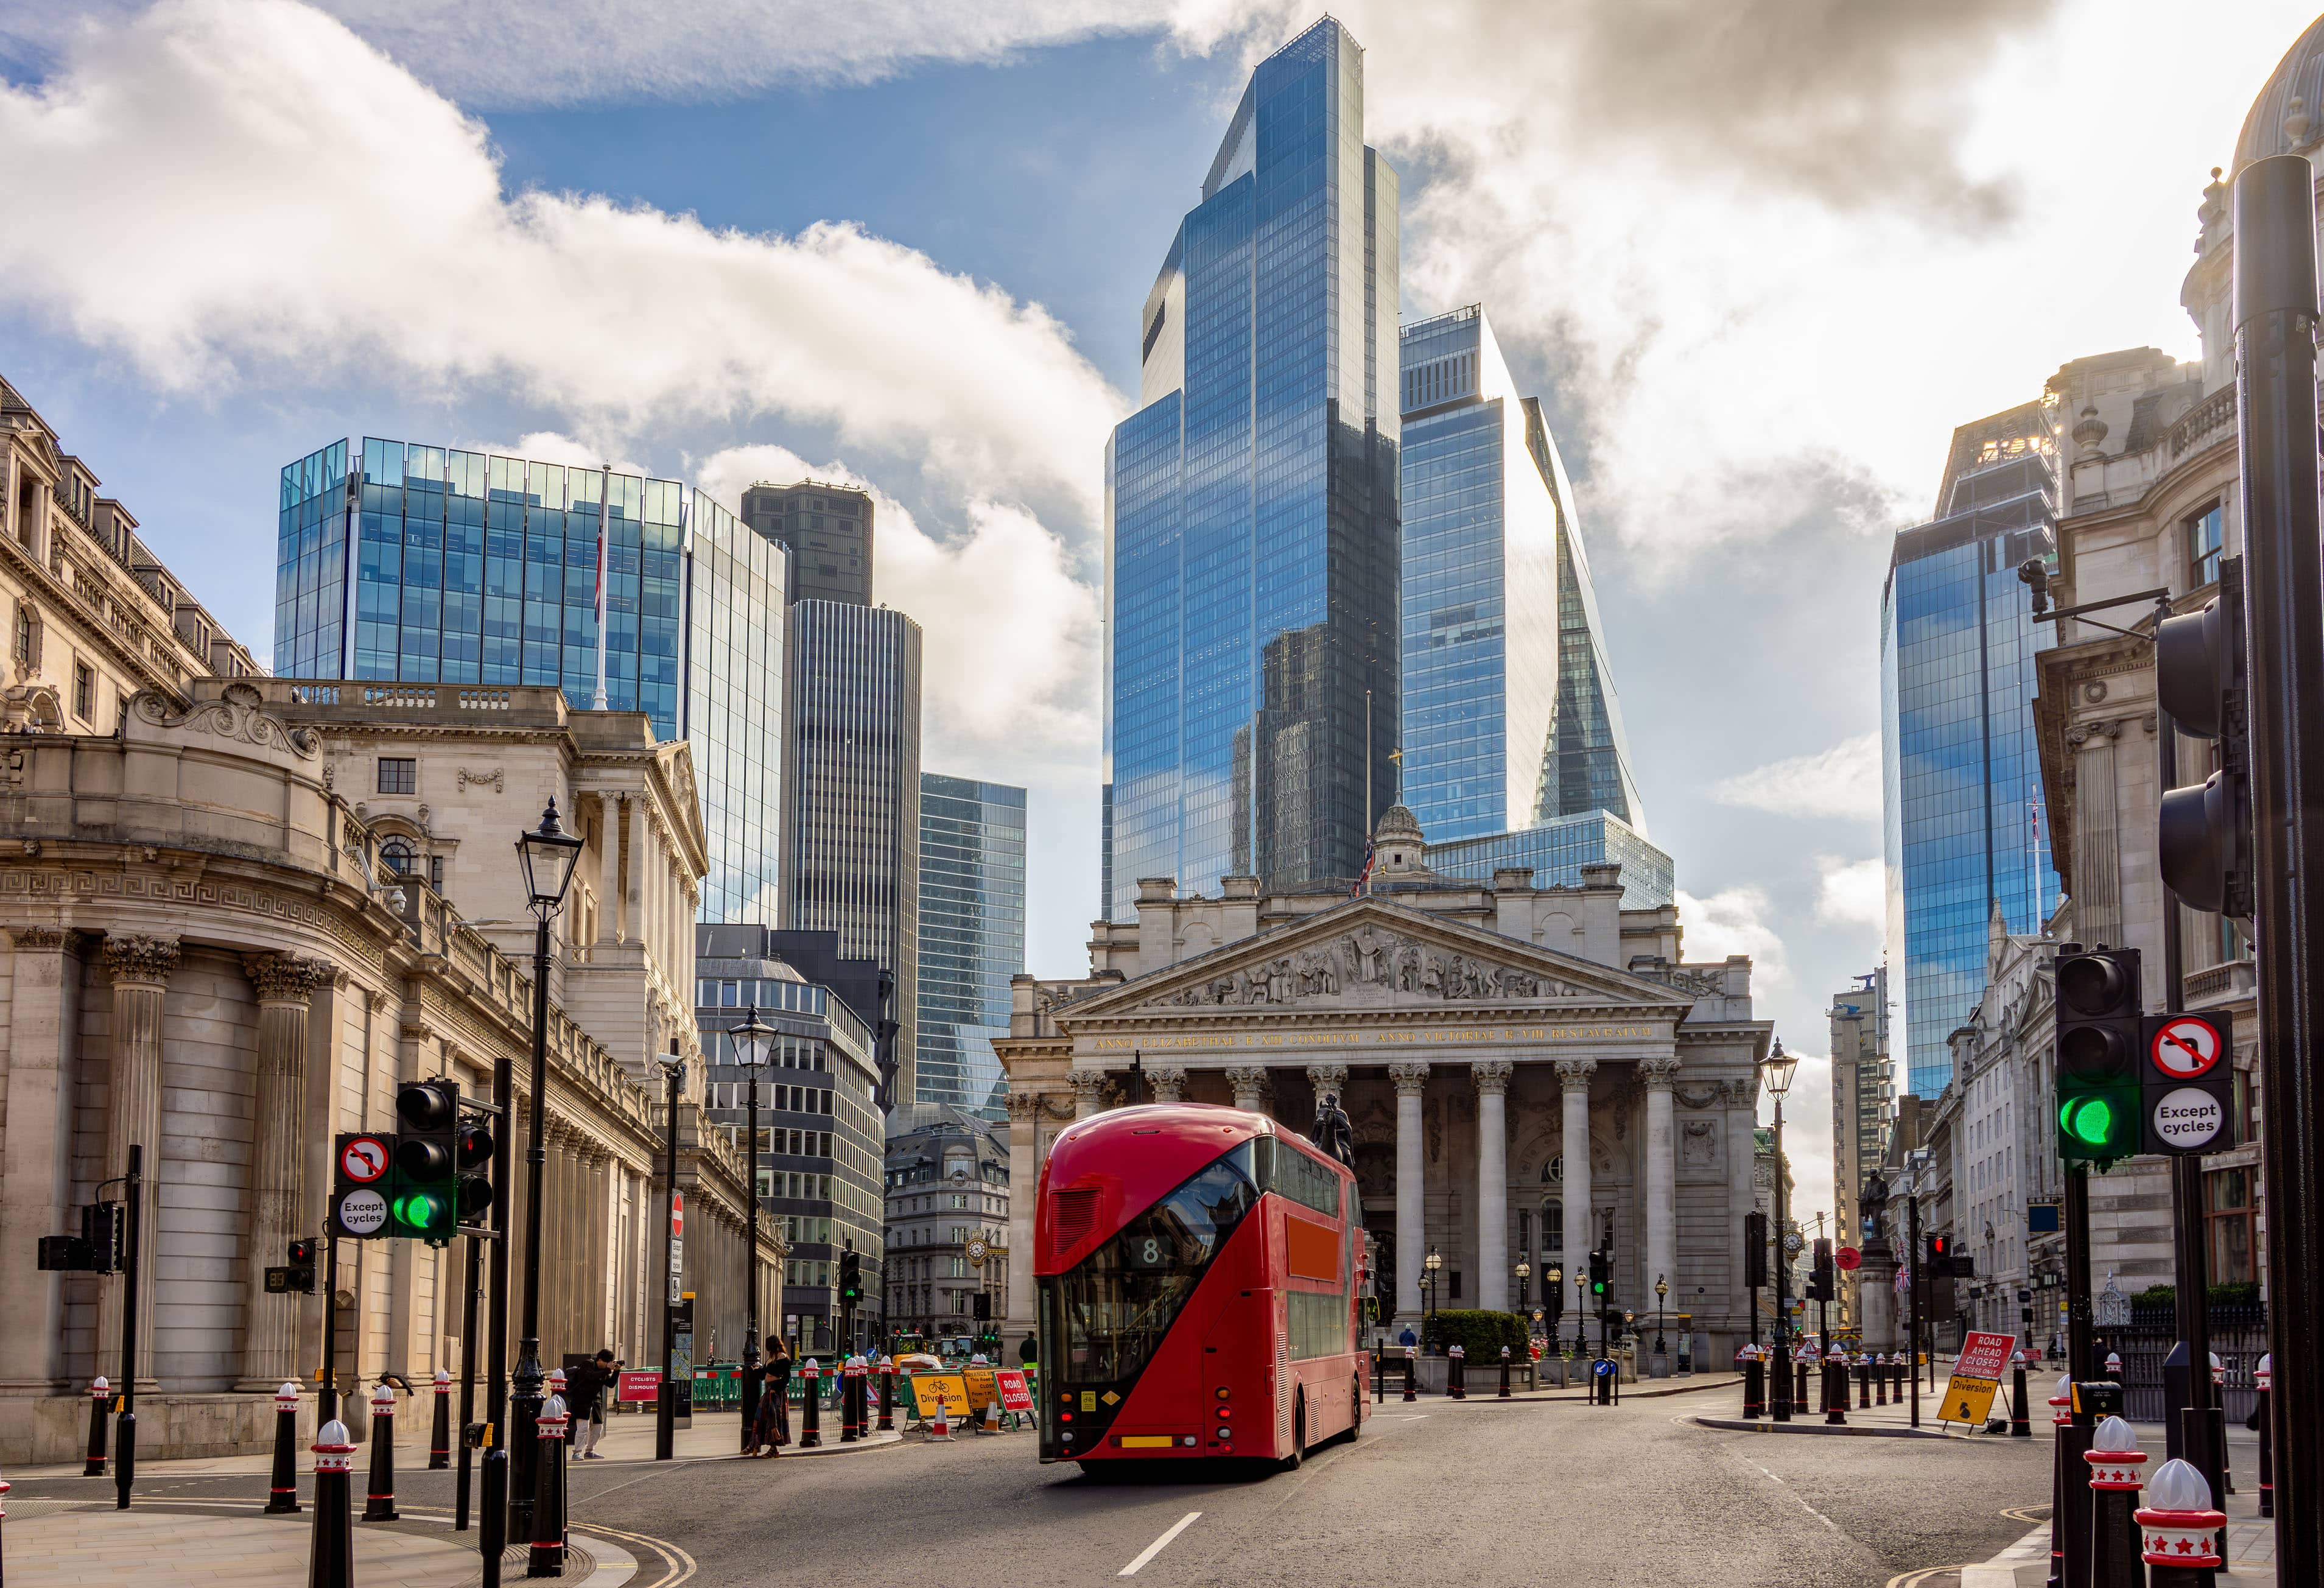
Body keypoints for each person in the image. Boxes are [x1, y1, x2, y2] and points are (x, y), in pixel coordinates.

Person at [565, 1351, 615, 1459]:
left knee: (598, 1427)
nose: (608, 1365)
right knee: (583, 1428)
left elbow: (611, 1384)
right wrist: (607, 1370)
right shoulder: (588, 1364)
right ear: (600, 1360)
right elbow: (590, 1377)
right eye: (607, 1363)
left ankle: (590, 1451)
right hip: (582, 1401)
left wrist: (617, 1371)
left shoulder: (604, 1371)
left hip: (595, 1402)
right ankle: (577, 1452)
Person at [750, 1340, 793, 1457]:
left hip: (777, 1393)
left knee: (772, 1420)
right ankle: (755, 1445)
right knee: (760, 1417)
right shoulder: (771, 1357)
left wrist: (776, 1387)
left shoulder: (782, 1357)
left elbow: (786, 1377)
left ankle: (773, 1449)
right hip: (769, 1392)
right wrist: (756, 1370)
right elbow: (764, 1374)